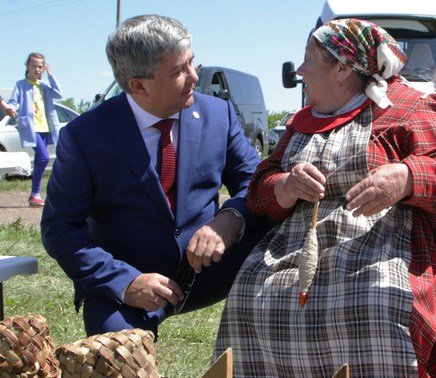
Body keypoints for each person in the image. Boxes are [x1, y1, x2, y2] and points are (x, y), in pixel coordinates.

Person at [214, 19, 436, 378]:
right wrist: (285, 186)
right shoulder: (303, 123)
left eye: (308, 60)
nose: (300, 71)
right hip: (296, 252)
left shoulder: (409, 108)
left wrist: (406, 177)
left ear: (342, 68)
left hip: (389, 251)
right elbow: (260, 188)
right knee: (249, 298)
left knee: (376, 301)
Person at [41, 15, 267, 337]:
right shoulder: (85, 136)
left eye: (192, 63)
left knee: (283, 223)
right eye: (178, 71)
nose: (194, 76)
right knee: (116, 357)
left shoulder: (218, 115)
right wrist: (125, 282)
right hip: (132, 282)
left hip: (211, 266)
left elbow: (255, 180)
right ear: (138, 86)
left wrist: (231, 218)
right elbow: (59, 228)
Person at [6, 53, 62, 207]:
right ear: (27, 67)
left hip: (45, 127)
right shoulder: (21, 85)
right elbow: (13, 101)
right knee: (44, 158)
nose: (37, 69)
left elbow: (59, 94)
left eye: (40, 67)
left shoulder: (44, 86)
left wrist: (50, 75)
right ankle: (35, 193)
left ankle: (34, 195)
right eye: (33, 66)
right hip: (31, 128)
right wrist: (11, 108)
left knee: (39, 160)